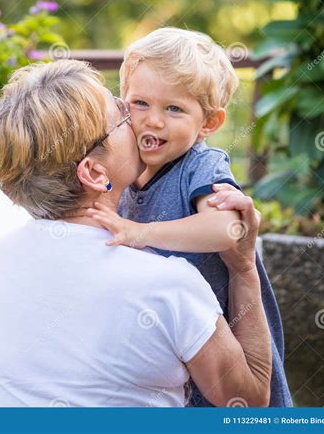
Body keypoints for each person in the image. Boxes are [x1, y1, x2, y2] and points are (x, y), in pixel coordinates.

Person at [0, 59, 272, 407]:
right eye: (123, 114)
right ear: (93, 173)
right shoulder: (169, 287)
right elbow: (249, 402)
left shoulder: (0, 258)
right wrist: (244, 270)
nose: (137, 119)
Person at [88, 28, 292, 407]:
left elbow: (226, 229)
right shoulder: (128, 172)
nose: (153, 121)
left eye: (174, 109)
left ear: (210, 123)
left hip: (227, 345)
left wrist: (139, 232)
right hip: (178, 351)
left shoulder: (201, 165)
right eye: (140, 103)